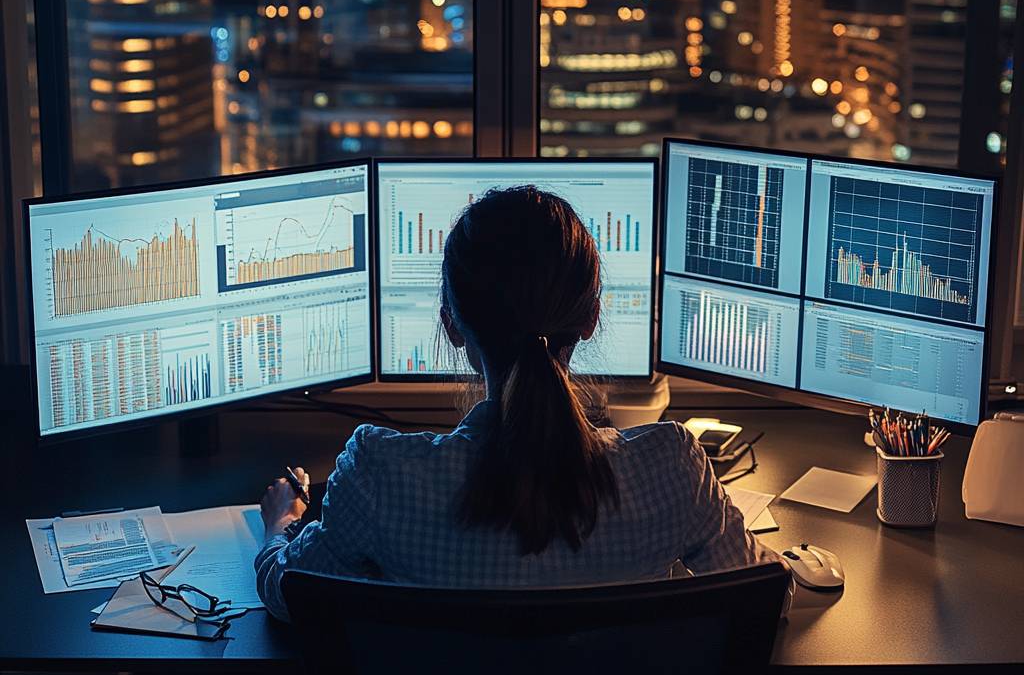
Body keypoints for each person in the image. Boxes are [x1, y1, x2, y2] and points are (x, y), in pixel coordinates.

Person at [256, 185, 785, 621]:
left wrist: (282, 523)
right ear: (591, 317)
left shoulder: (380, 474)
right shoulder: (670, 467)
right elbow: (766, 595)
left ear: (451, 325)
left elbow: (289, 595)